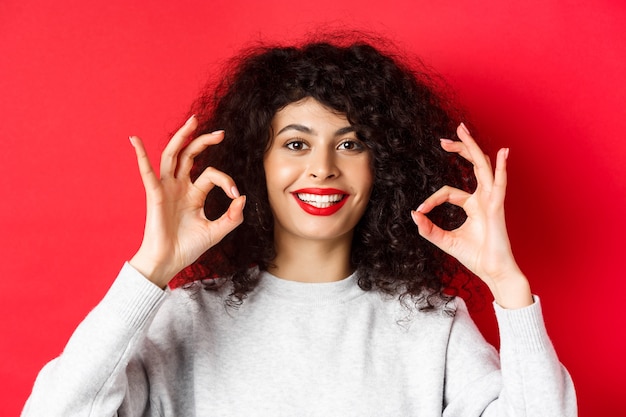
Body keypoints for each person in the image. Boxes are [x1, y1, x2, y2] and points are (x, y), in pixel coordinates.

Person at [21, 35, 577, 416]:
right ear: (253, 162)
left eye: (351, 143)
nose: (323, 167)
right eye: (295, 144)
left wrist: (509, 287)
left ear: (383, 165)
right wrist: (149, 271)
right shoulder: (186, 319)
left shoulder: (433, 326)